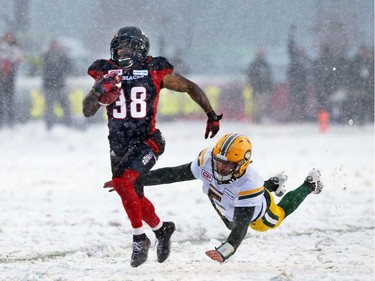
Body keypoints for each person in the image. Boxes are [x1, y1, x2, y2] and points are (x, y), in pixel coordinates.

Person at [82, 26, 222, 267]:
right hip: (118, 144)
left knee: (123, 183)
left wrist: (211, 114)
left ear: (140, 48)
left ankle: (139, 238)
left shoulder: (153, 69)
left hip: (148, 140)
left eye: (128, 46)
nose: (123, 50)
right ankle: (162, 229)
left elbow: (189, 86)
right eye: (120, 46)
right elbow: (87, 111)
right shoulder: (105, 71)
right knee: (133, 193)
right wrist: (97, 89)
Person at [105, 133, 324, 263]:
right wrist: (134, 181)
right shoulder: (207, 160)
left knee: (278, 216)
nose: (221, 166)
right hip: (225, 201)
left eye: (229, 164)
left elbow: (240, 227)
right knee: (228, 202)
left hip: (257, 213)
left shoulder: (248, 184)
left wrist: (226, 251)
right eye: (220, 161)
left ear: (243, 163)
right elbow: (173, 174)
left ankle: (308, 185)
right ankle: (272, 184)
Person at [42, 39, 74, 130]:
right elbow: (46, 69)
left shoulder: (62, 56)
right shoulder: (47, 55)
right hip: (50, 85)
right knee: (50, 107)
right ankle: (49, 126)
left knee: (64, 105)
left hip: (60, 85)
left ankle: (67, 124)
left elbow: (69, 67)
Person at [0, 31, 22, 128]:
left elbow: (19, 59)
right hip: (1, 75)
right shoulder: (2, 46)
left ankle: (10, 121)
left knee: (10, 100)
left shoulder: (16, 48)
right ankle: (2, 121)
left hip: (10, 76)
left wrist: (10, 64)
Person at [246, 49, 273, 123]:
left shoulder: (266, 65)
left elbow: (269, 76)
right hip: (256, 88)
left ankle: (260, 118)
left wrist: (270, 86)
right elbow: (250, 76)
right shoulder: (254, 65)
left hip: (264, 88)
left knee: (263, 105)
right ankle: (256, 119)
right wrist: (253, 82)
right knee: (256, 105)